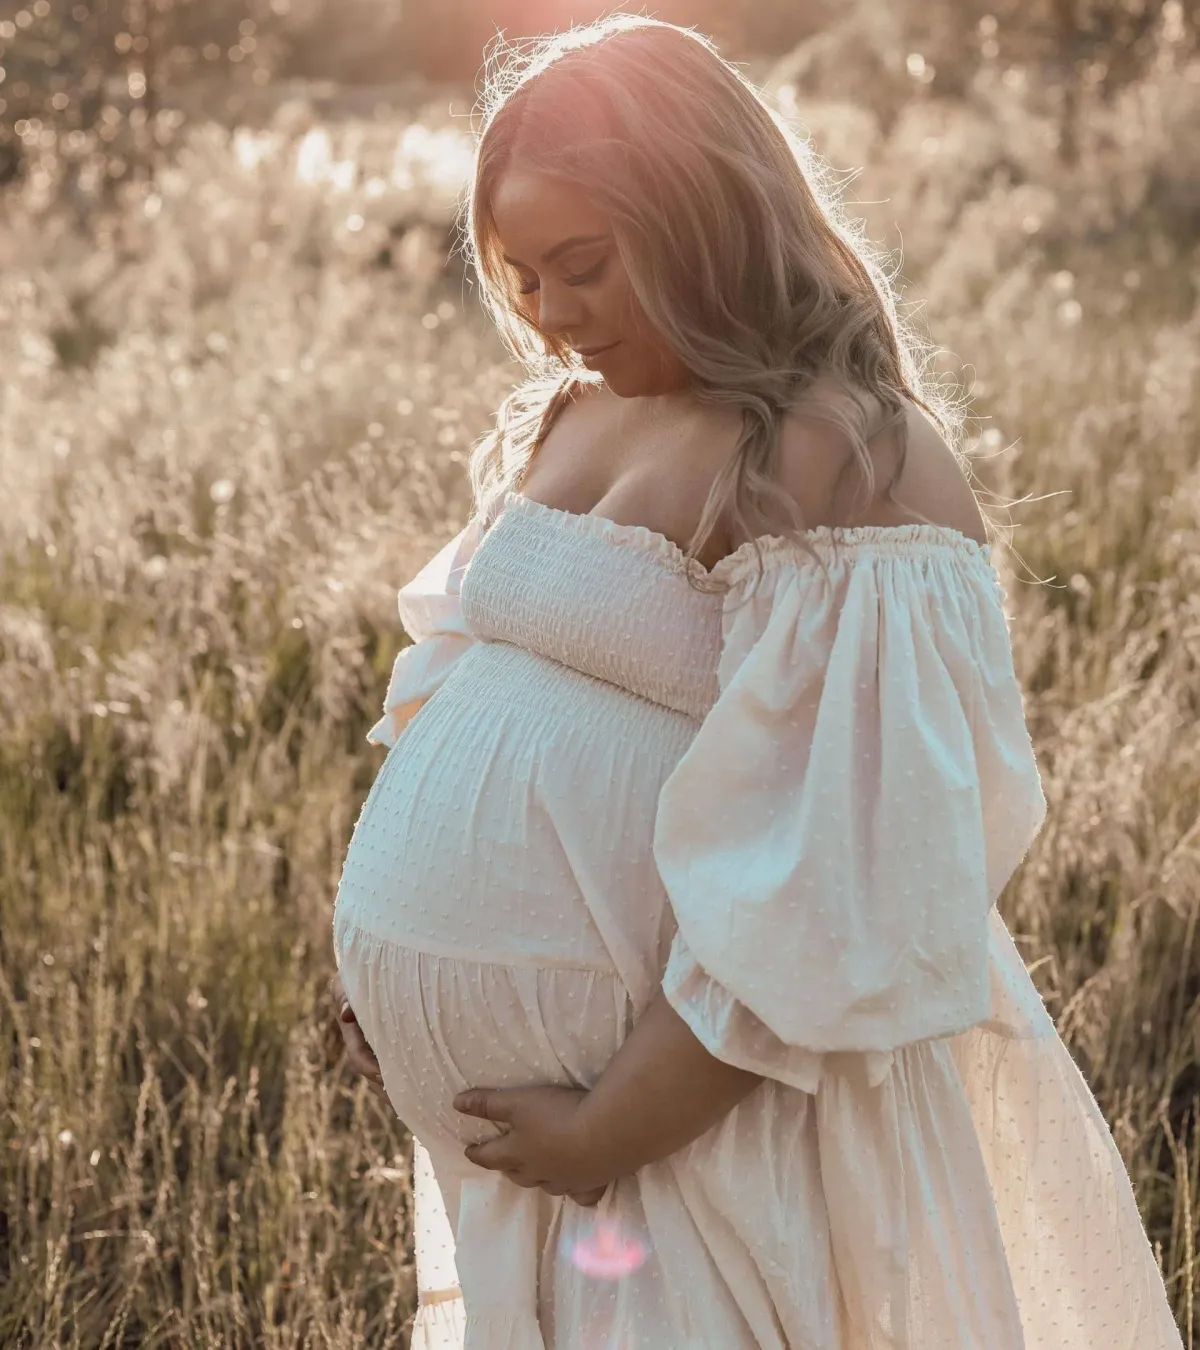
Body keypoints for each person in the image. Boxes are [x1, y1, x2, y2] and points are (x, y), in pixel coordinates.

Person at [328, 14, 1184, 1350]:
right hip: (540, 1158)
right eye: (525, 277)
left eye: (585, 266)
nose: (553, 317)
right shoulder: (576, 409)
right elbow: (461, 681)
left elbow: (850, 868)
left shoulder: (840, 459)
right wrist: (395, 972)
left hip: (703, 1139)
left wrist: (616, 1121)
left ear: (705, 215)